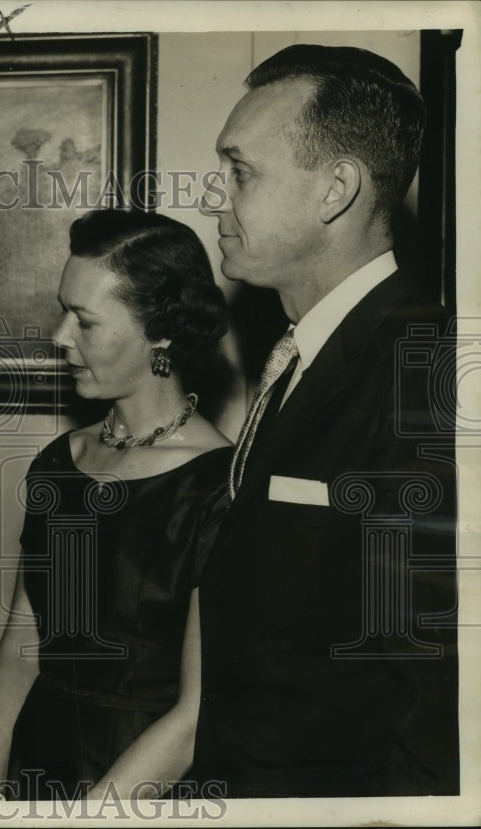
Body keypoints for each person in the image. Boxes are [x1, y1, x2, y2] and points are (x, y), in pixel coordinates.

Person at [195, 44, 459, 797]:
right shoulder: (303, 356)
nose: (219, 199)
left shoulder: (427, 370)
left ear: (335, 189)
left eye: (240, 172)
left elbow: (432, 701)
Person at [0, 209, 232, 801]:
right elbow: (23, 643)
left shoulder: (219, 487)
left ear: (160, 332)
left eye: (84, 321)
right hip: (38, 765)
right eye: (64, 311)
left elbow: (195, 716)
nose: (60, 336)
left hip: (144, 786)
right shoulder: (60, 462)